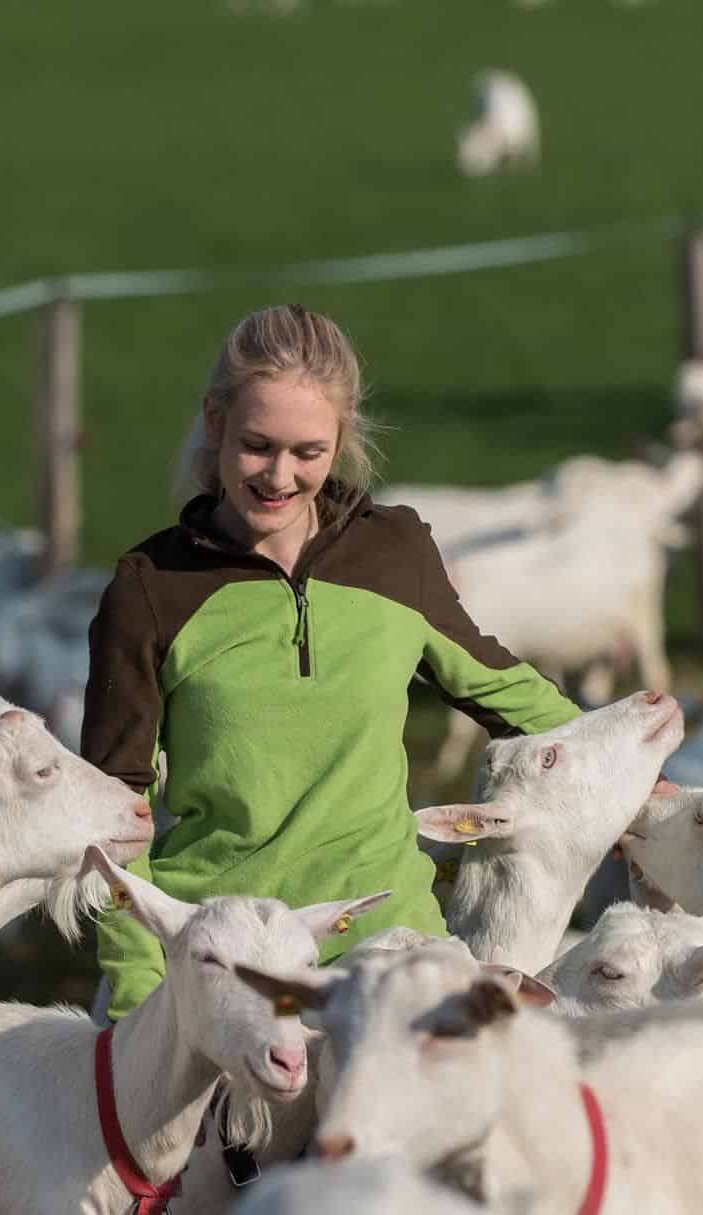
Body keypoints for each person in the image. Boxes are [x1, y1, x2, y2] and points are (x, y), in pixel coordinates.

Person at [81, 304, 578, 1018]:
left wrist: (639, 775)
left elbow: (513, 695)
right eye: (257, 445)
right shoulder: (149, 591)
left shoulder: (395, 555)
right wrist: (136, 1003)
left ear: (341, 440)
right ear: (215, 422)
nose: (279, 476)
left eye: (308, 452)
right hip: (229, 957)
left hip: (391, 945)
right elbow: (110, 819)